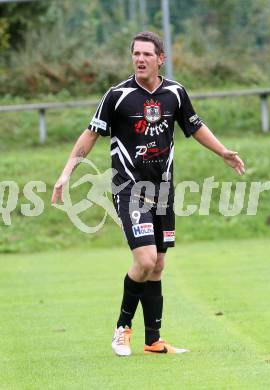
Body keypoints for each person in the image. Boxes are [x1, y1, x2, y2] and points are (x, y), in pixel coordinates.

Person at [51, 31, 245, 356]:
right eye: (135, 54)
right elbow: (90, 135)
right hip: (129, 190)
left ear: (160, 59)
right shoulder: (117, 95)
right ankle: (121, 329)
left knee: (158, 267)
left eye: (146, 54)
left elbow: (194, 126)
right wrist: (66, 172)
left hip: (164, 191)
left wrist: (223, 152)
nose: (140, 59)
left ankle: (153, 340)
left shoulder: (175, 94)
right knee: (145, 259)